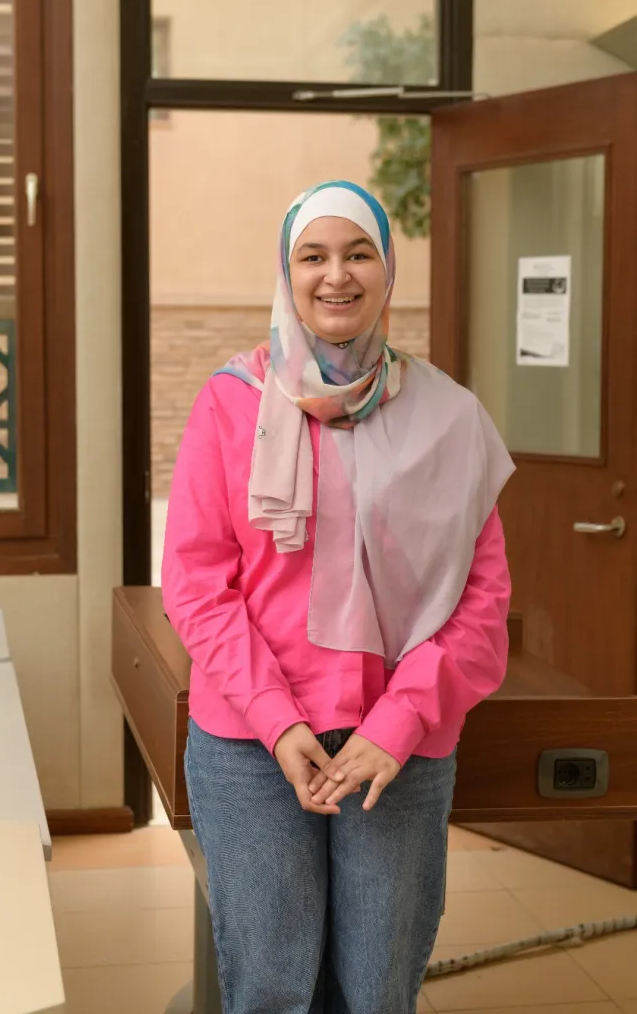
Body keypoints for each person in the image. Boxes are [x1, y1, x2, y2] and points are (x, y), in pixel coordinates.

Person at [162, 180, 514, 1014]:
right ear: (285, 273)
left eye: (358, 253)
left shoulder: (448, 416)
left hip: (398, 745)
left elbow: (481, 601)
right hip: (252, 744)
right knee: (271, 988)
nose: (336, 275)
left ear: (388, 270)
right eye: (312, 256)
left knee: (377, 990)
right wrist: (276, 719)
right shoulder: (230, 403)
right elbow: (197, 583)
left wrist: (397, 723)